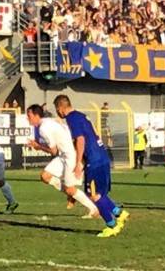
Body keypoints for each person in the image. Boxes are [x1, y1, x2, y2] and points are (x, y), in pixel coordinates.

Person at [53, 95, 129, 238]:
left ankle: (112, 225)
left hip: (94, 160)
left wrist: (77, 163)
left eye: (57, 109)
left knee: (93, 195)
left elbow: (80, 140)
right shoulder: (81, 115)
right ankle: (120, 213)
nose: (58, 113)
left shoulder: (71, 118)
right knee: (99, 194)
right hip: (101, 156)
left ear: (61, 108)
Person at [26, 104, 99, 219]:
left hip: (70, 156)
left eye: (29, 116)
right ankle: (71, 194)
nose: (27, 118)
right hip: (64, 155)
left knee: (70, 189)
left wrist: (38, 146)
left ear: (36, 115)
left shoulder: (43, 129)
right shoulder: (48, 121)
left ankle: (94, 209)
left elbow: (53, 151)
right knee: (45, 176)